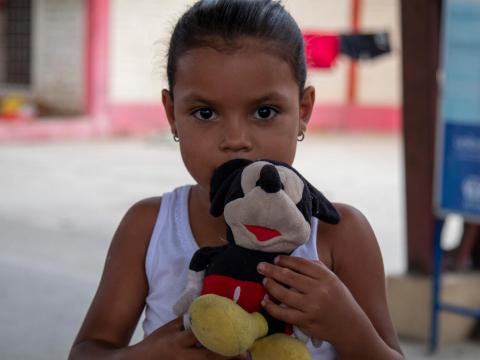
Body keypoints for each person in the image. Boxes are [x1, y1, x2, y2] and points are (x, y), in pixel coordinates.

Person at [69, 1, 404, 359]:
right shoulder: (149, 229)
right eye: (205, 113)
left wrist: (348, 327)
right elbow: (87, 351)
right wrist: (145, 355)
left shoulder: (340, 235)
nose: (235, 139)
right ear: (172, 115)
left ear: (303, 110)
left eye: (264, 112)